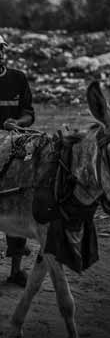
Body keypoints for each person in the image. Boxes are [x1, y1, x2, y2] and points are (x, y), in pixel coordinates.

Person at [0, 34, 35, 287]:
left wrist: (19, 124)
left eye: (1, 49)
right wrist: (2, 124)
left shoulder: (18, 78)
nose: (0, 53)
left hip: (16, 143)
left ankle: (15, 270)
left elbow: (29, 112)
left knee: (16, 199)